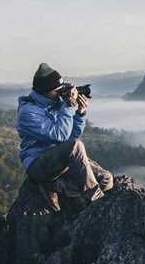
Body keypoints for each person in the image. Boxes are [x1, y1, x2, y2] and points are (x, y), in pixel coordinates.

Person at [16, 63, 113, 211]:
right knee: (76, 145)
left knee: (106, 180)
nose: (62, 93)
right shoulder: (28, 112)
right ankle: (95, 201)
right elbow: (59, 137)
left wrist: (80, 114)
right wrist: (67, 107)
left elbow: (70, 137)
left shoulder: (55, 103)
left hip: (60, 162)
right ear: (45, 91)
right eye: (58, 90)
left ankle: (57, 187)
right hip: (38, 165)